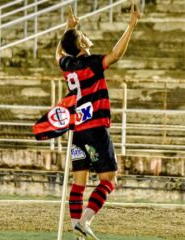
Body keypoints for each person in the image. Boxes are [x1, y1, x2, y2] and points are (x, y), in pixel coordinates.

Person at [55, 4, 140, 240]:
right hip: (95, 128)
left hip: (77, 130)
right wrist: (131, 25)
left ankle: (77, 232)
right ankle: (85, 222)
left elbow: (58, 55)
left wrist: (68, 28)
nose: (86, 36)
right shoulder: (91, 63)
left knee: (79, 181)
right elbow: (115, 55)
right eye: (83, 35)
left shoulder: (67, 66)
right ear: (82, 45)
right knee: (109, 180)